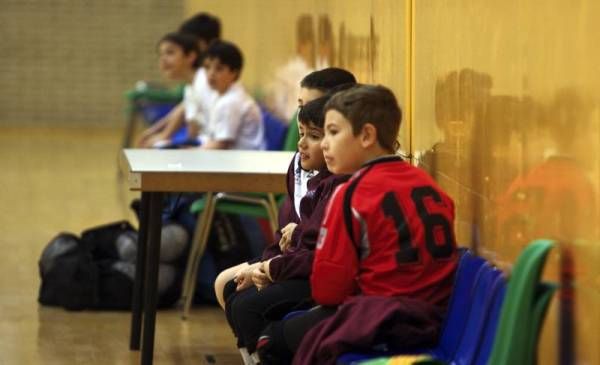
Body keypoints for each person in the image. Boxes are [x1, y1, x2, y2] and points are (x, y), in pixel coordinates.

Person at [257, 85, 459, 365]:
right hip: (436, 317)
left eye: (333, 132)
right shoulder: (432, 186)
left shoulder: (351, 193)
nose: (325, 144)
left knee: (271, 340)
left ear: (366, 135)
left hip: (388, 321)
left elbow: (328, 291)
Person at [137, 13, 221, 148]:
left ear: (193, 53)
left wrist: (165, 138)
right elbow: (184, 113)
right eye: (161, 55)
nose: (163, 60)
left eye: (170, 52)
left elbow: (205, 138)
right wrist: (158, 133)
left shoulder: (206, 81)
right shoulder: (193, 85)